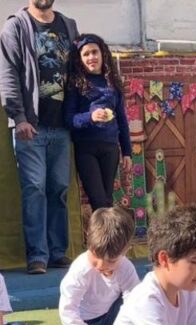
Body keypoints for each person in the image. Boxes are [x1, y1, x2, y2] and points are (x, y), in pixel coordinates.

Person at [0, 0, 80, 275]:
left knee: (59, 189)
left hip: (62, 126)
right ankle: (37, 255)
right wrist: (18, 118)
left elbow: (77, 73)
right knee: (34, 189)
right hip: (30, 126)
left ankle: (58, 252)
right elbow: (7, 74)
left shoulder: (69, 25)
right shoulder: (16, 26)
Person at [57, 206, 139, 325]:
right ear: (89, 241)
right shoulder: (80, 270)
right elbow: (67, 311)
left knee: (136, 308)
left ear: (125, 251)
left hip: (112, 317)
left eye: (112, 260)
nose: (102, 265)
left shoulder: (126, 268)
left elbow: (134, 304)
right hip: (84, 321)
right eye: (97, 257)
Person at [64, 33, 131, 211]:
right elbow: (69, 119)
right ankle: (99, 238)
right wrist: (90, 117)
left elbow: (122, 120)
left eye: (94, 52)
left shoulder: (113, 84)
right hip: (86, 149)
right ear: (80, 59)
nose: (91, 57)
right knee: (98, 199)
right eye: (86, 54)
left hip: (110, 148)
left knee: (107, 199)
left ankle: (105, 238)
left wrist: (127, 152)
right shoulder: (76, 85)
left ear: (103, 55)